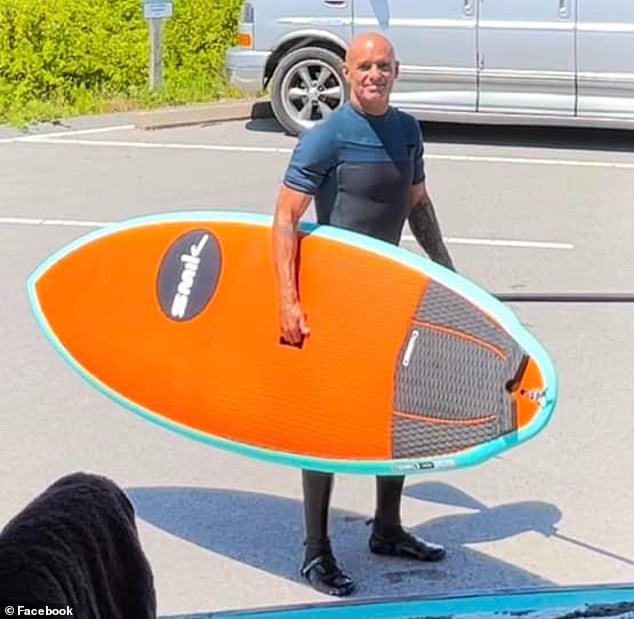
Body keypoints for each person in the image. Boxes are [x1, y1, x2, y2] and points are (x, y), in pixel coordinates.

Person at [271, 32, 456, 597]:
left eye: (384, 66)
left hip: (387, 294)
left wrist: (448, 274)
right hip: (334, 299)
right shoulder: (325, 137)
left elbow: (417, 203)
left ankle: (389, 528)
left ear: (396, 70)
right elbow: (284, 218)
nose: (375, 74)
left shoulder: (407, 130)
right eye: (364, 66)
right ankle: (316, 550)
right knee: (324, 424)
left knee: (395, 412)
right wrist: (288, 299)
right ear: (346, 74)